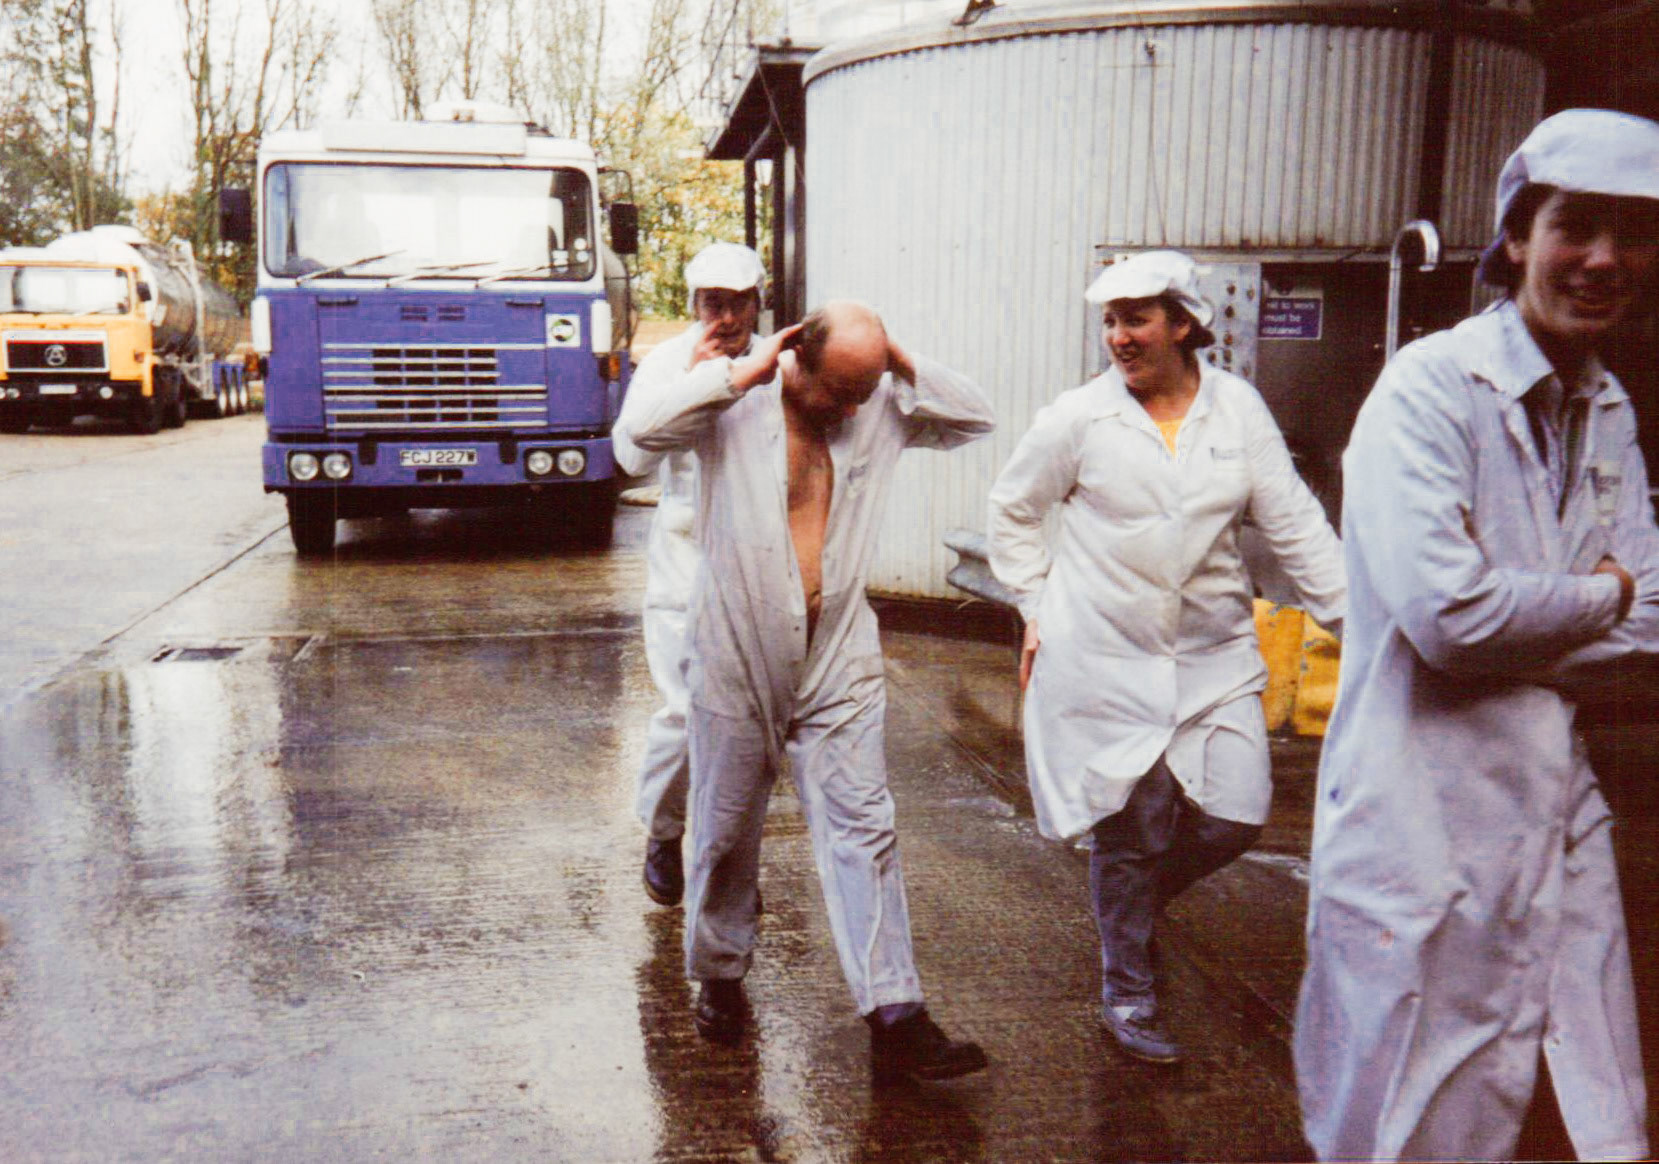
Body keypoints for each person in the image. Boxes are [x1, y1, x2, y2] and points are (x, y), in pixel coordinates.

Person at [1294, 109, 1659, 1160]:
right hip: (1419, 832)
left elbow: (1652, 623)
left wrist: (1542, 614)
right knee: (1404, 1127)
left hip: (1554, 823)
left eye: (1634, 235)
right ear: (1514, 236)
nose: (1604, 260)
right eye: (1575, 226)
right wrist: (1600, 594)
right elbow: (1451, 622)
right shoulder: (1428, 390)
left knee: (1595, 1120)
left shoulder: (1608, 404)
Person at [986, 250, 1345, 1065]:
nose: (1118, 336)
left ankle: (1130, 913)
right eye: (1110, 321)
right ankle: (1128, 988)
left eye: (1136, 319)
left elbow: (1294, 525)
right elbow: (1012, 511)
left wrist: (1362, 627)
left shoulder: (1236, 410)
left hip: (1212, 654)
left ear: (1182, 324)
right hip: (1104, 657)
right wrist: (1035, 605)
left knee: (1233, 818)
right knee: (1136, 824)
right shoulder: (1079, 419)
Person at [624, 300, 994, 1083]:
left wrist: (897, 361)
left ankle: (894, 1011)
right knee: (725, 830)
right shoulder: (734, 402)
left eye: (864, 392)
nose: (850, 411)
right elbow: (634, 445)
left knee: (866, 827)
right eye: (838, 392)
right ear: (796, 355)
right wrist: (731, 376)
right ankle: (720, 973)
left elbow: (974, 419)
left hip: (837, 656)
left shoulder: (874, 407)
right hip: (735, 647)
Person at [613, 242, 767, 908]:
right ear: (693, 304)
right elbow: (631, 458)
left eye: (737, 304)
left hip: (756, 566)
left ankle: (727, 864)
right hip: (684, 565)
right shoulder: (667, 364)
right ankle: (663, 830)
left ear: (758, 302)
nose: (725, 319)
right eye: (712, 304)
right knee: (683, 714)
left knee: (748, 724)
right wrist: (694, 386)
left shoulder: (776, 364)